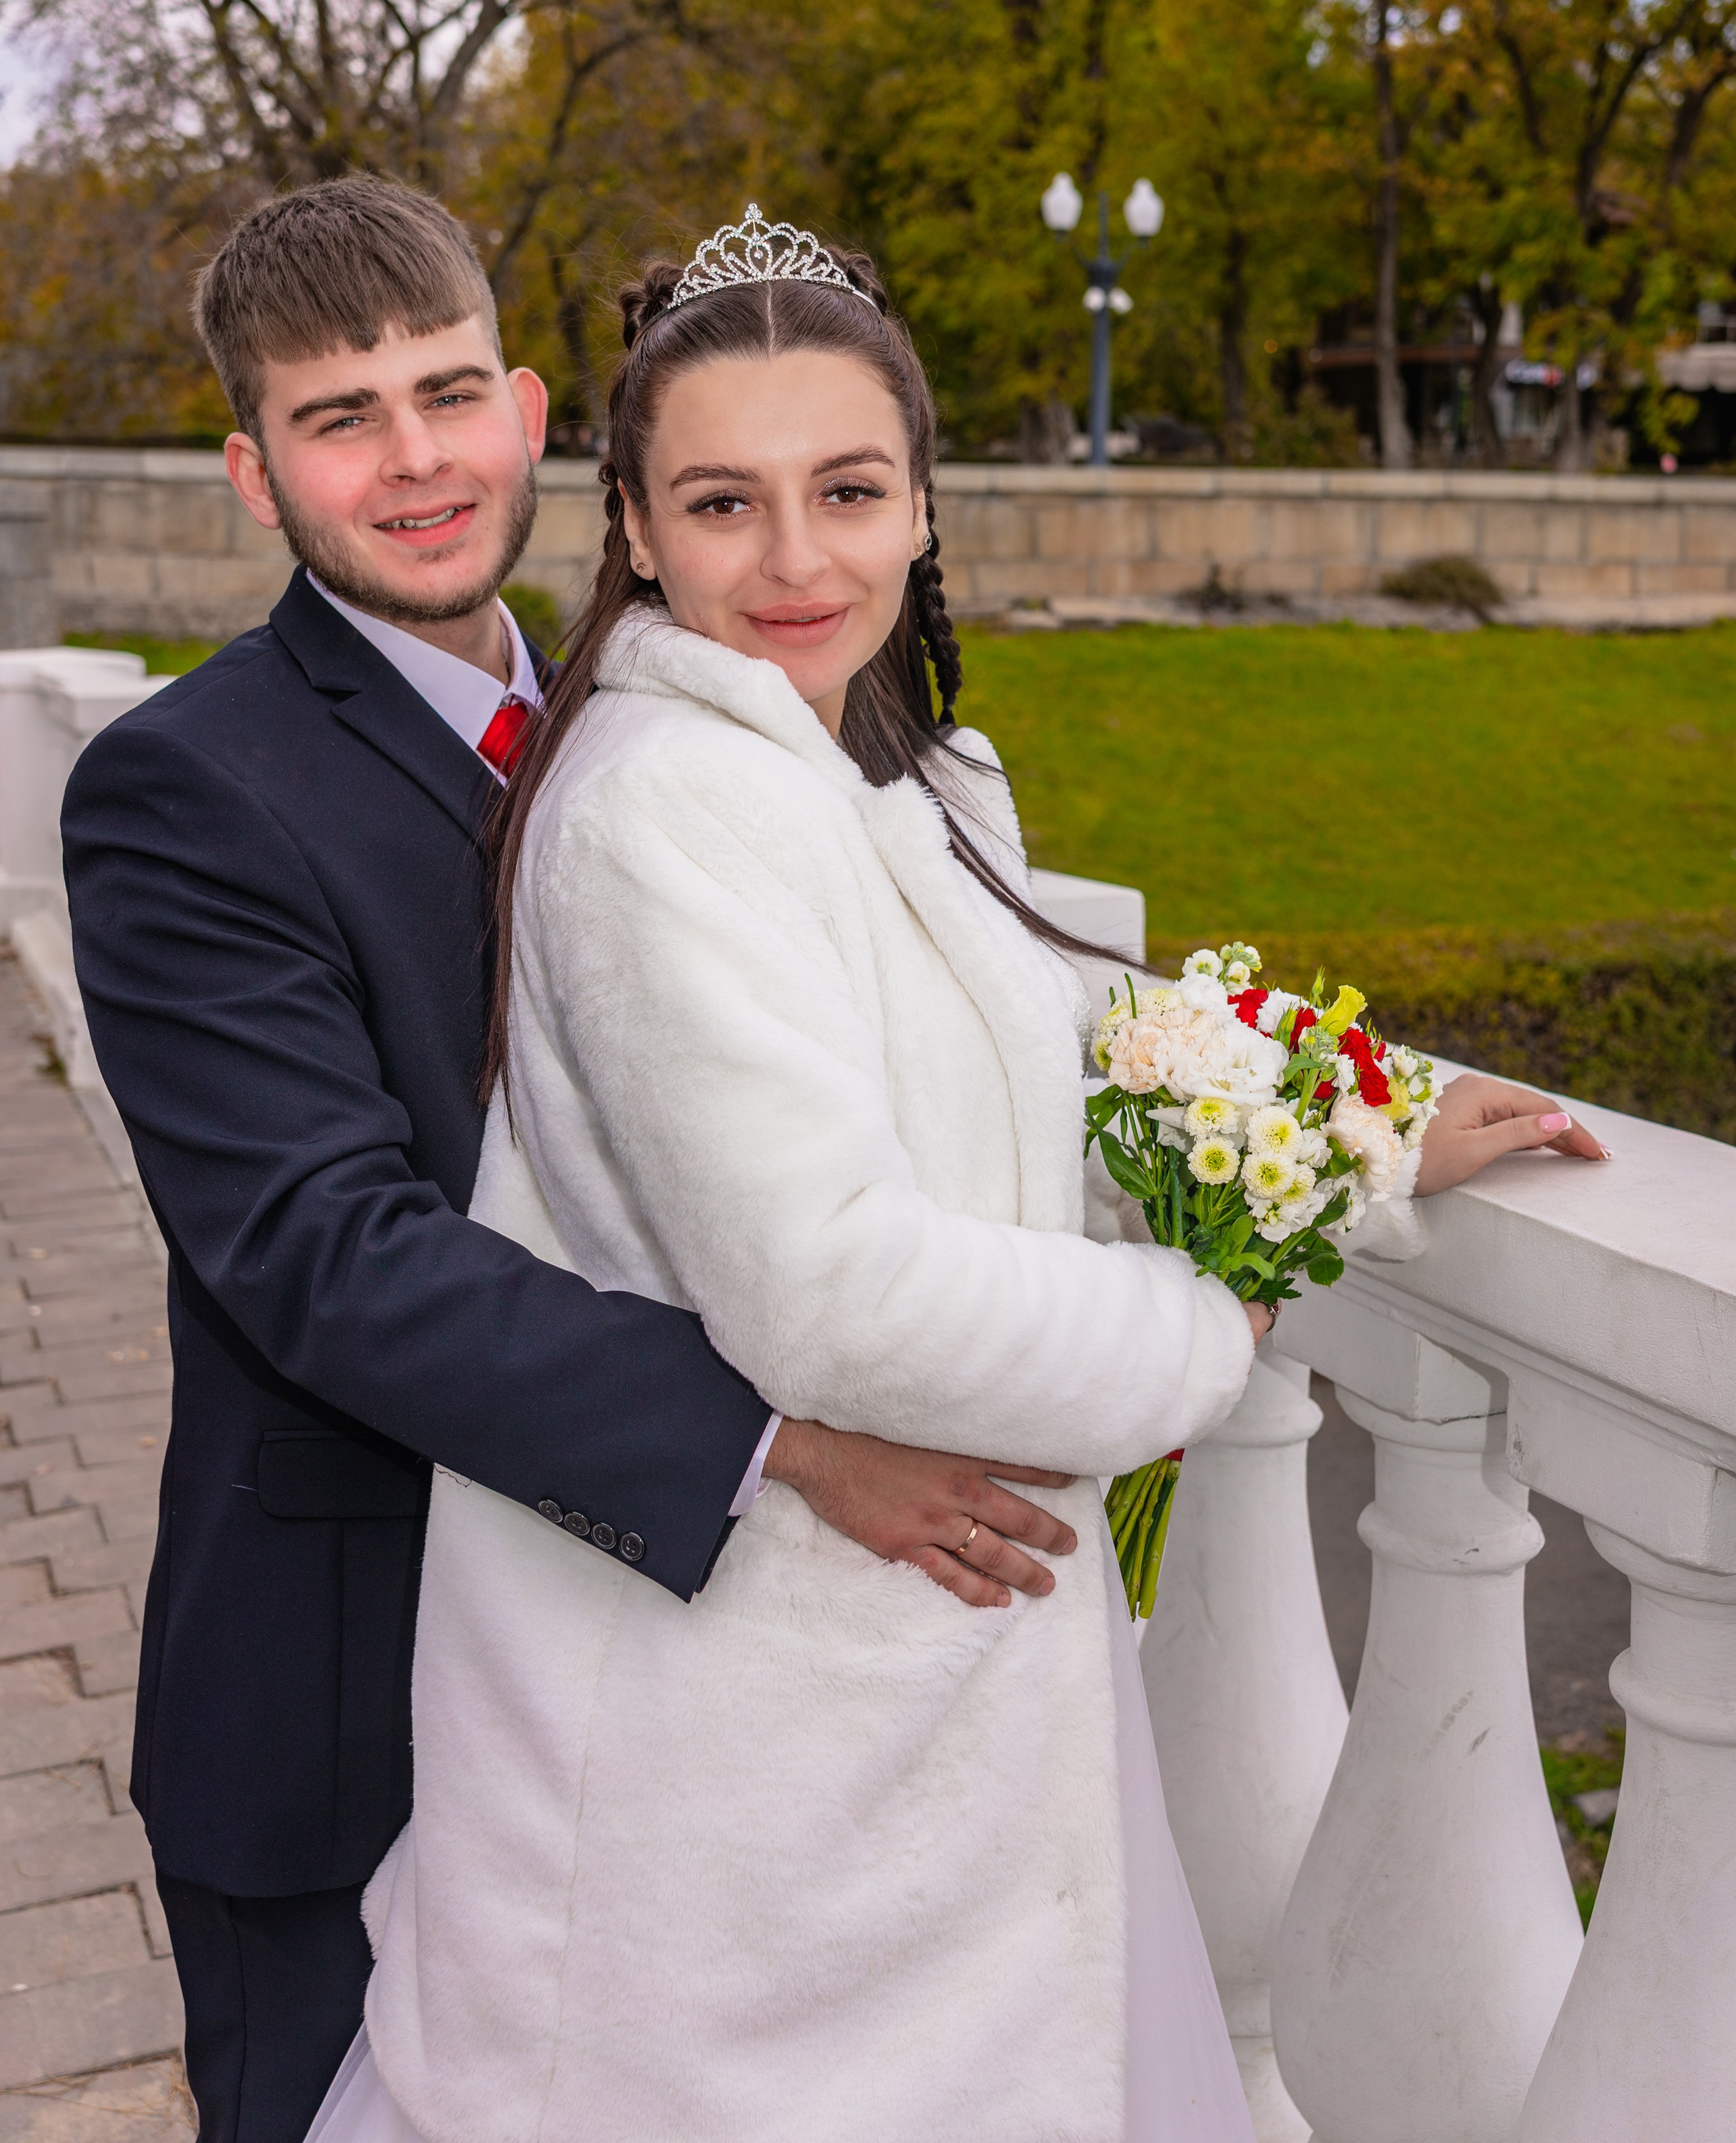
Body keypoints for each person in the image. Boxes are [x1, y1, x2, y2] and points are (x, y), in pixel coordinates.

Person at [310, 207, 1605, 2143]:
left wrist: (1352, 1122)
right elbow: (826, 1289)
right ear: (639, 532)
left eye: (847, 488)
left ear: (924, 501)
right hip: (744, 1745)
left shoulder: (892, 775)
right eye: (725, 504)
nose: (797, 555)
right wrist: (1206, 1319)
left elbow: (1044, 1064)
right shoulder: (672, 803)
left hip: (891, 1723)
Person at [60, 178, 1088, 2143]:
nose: (417, 457)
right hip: (361, 1693)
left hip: (674, 1699)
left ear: (536, 415)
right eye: (338, 415)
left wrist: (1340, 1126)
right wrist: (784, 1443)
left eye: (445, 390)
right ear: (251, 472)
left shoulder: (662, 726)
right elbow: (327, 1252)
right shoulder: (188, 788)